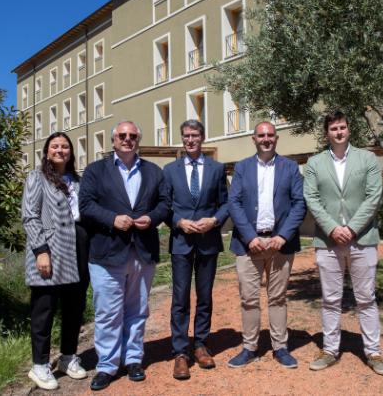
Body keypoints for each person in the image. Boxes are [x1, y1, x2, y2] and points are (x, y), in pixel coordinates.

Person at [79, 120, 170, 391]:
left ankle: (133, 359)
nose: (127, 139)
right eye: (122, 135)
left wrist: (151, 218)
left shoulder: (154, 171)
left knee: (138, 310)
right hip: (107, 253)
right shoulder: (96, 171)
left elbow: (165, 204)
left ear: (138, 140)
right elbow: (86, 204)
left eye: (132, 135)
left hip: (142, 251)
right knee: (108, 313)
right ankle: (107, 364)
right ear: (113, 140)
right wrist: (112, 219)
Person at [302, 110, 383, 375]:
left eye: (342, 127)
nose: (338, 132)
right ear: (326, 133)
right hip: (327, 241)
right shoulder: (315, 163)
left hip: (362, 239)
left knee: (365, 298)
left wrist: (350, 228)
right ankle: (330, 350)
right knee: (330, 299)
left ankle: (373, 352)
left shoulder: (367, 158)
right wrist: (332, 228)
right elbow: (311, 198)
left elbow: (374, 197)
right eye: (333, 129)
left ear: (348, 129)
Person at [227, 121, 306, 369]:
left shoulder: (290, 167)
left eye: (270, 135)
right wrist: (250, 237)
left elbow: (299, 204)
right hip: (248, 243)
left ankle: (280, 347)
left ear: (276, 138)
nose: (266, 139)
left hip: (279, 242)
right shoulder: (241, 167)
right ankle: (250, 347)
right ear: (254, 139)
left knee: (278, 298)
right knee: (249, 298)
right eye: (261, 135)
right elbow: (234, 203)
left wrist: (282, 236)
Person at [21, 132, 90, 390]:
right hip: (49, 248)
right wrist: (41, 250)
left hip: (77, 247)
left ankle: (68, 357)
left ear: (70, 152)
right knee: (44, 309)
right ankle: (39, 365)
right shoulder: (36, 178)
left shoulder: (77, 180)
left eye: (64, 146)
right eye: (55, 146)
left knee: (74, 307)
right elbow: (30, 216)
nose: (60, 150)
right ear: (47, 151)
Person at [162, 120, 229, 380]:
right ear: (182, 138)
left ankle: (200, 344)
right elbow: (165, 206)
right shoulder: (169, 170)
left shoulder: (216, 168)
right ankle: (180, 352)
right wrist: (178, 221)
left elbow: (225, 203)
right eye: (186, 135)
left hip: (208, 241)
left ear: (203, 137)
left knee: (204, 296)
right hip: (181, 242)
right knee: (180, 298)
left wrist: (214, 220)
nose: (190, 140)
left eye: (195, 135)